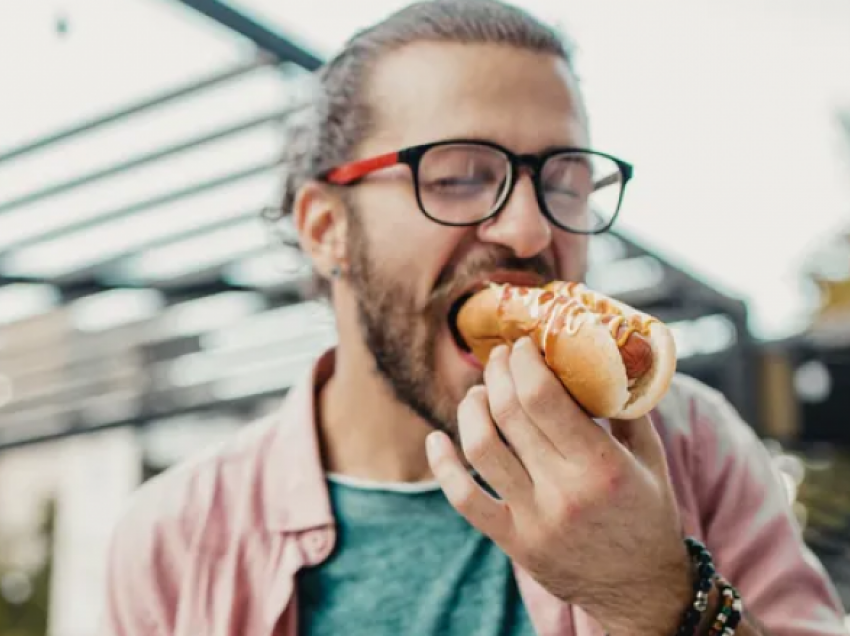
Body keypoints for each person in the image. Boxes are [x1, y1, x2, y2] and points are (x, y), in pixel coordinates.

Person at [101, 1, 848, 635]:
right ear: (326, 228)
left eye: (565, 180)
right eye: (458, 176)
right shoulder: (177, 533)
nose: (528, 232)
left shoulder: (691, 443)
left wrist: (656, 599)